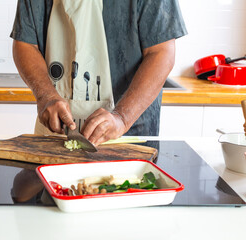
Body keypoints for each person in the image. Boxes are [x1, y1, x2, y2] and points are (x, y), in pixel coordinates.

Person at [10, 0, 187, 146]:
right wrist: (46, 95)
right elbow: (25, 43)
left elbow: (161, 53)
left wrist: (122, 118)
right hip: (55, 137)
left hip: (129, 137)